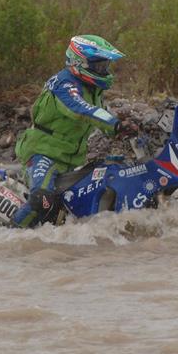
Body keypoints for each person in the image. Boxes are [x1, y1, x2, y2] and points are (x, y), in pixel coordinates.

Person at [12, 35, 137, 228]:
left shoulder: (92, 89)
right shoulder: (64, 84)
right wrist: (114, 124)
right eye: (98, 65)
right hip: (43, 154)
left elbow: (100, 114)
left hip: (72, 160)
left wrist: (124, 128)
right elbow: (81, 110)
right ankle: (10, 236)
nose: (103, 70)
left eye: (105, 65)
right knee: (42, 200)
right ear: (80, 62)